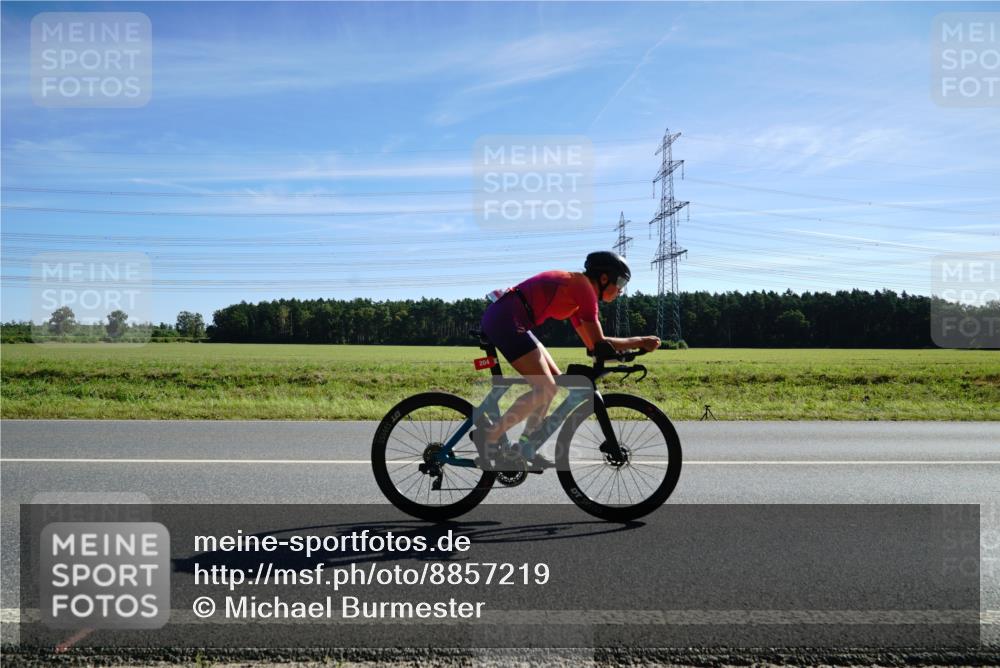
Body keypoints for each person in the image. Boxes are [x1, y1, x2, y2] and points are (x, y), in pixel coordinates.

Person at [475, 250, 660, 470]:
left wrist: (627, 351)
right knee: (545, 388)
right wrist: (640, 341)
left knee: (554, 382)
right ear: (604, 278)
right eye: (620, 282)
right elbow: (599, 342)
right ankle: (489, 436)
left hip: (513, 319)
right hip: (507, 320)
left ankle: (525, 446)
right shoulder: (583, 288)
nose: (621, 290)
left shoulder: (578, 295)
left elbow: (593, 346)